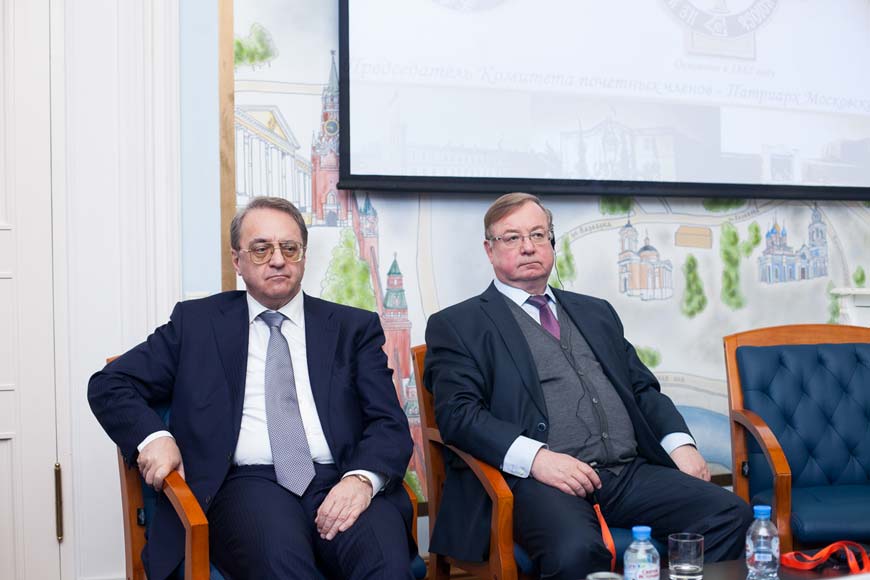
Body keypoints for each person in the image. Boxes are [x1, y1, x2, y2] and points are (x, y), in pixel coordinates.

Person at [423, 192, 752, 580]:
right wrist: (538, 459)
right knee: (576, 552)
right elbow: (459, 415)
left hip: (628, 473)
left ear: (551, 242)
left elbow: (642, 388)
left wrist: (680, 444)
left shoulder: (595, 312)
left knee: (730, 513)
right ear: (489, 250)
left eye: (538, 234)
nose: (528, 247)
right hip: (537, 481)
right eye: (512, 238)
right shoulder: (458, 325)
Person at [89, 196, 415, 580]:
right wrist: (154, 438)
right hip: (248, 485)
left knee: (386, 564)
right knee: (283, 565)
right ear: (236, 260)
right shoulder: (197, 324)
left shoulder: (352, 328)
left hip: (341, 478)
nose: (277, 260)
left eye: (289, 248)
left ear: (303, 256)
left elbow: (389, 423)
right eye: (261, 249)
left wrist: (361, 480)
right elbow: (110, 384)